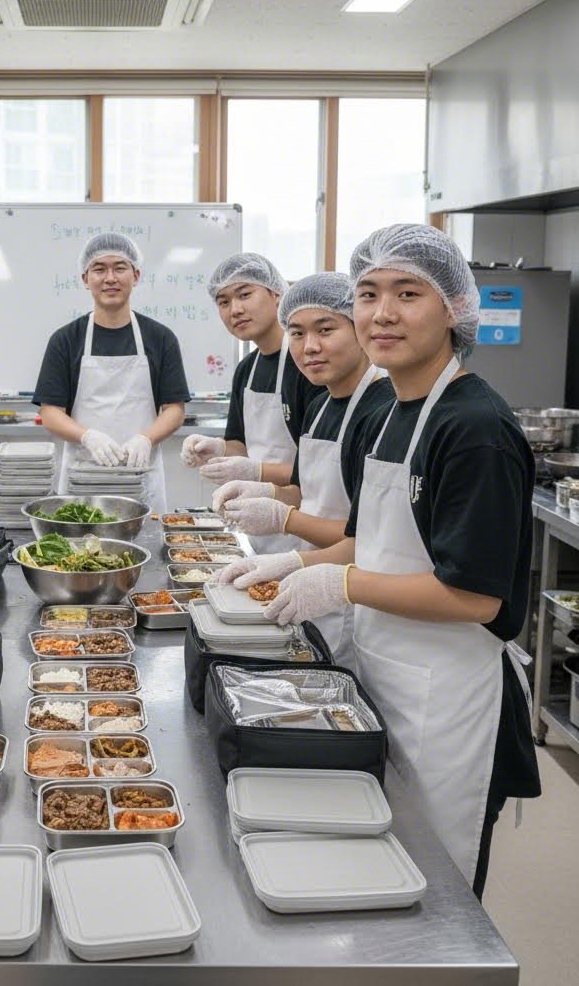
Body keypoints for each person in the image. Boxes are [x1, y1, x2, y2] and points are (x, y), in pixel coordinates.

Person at [217, 224, 540, 898]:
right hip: (385, 664)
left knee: (439, 885)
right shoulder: (396, 407)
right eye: (367, 293)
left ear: (453, 307)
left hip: (446, 696)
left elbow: (474, 597)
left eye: (407, 293)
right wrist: (293, 564)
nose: (382, 313)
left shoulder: (475, 428)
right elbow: (373, 537)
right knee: (382, 867)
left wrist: (340, 582)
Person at [211, 272, 394, 667]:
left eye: (325, 329)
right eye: (296, 333)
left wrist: (284, 519)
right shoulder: (321, 405)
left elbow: (365, 537)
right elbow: (304, 490)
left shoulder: (382, 411)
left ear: (360, 326)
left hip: (349, 595)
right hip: (312, 582)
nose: (310, 347)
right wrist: (261, 495)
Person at [32, 232, 190, 514]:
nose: (110, 278)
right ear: (85, 279)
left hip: (141, 477)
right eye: (99, 269)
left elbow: (174, 409)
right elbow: (50, 412)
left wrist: (146, 439)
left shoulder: (160, 338)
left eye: (119, 267)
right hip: (82, 478)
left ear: (136, 275)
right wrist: (88, 436)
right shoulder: (66, 340)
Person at [181, 253, 324, 552]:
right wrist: (218, 449)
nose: (236, 309)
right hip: (257, 525)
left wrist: (255, 471)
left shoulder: (310, 366)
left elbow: (317, 470)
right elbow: (239, 444)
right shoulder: (248, 368)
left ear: (276, 293)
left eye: (245, 294)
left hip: (307, 527)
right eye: (223, 302)